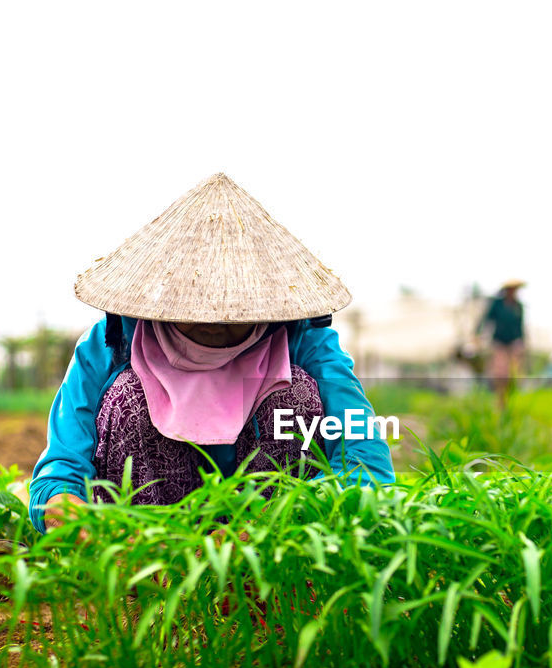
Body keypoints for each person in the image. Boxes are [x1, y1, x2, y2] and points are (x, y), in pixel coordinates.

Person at [29, 173, 395, 533]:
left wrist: (276, 526)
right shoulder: (113, 341)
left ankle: (268, 570)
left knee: (294, 393)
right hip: (145, 548)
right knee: (127, 395)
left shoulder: (300, 338)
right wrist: (65, 508)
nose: (215, 321)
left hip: (267, 542)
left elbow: (364, 459)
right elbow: (61, 466)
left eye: (232, 307)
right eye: (197, 303)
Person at [477, 279, 526, 406]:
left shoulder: (518, 306)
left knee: (513, 373)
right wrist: (478, 334)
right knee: (500, 372)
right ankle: (500, 399)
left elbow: (520, 327)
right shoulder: (497, 304)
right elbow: (486, 319)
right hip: (499, 342)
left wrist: (522, 343)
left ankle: (509, 398)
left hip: (513, 343)